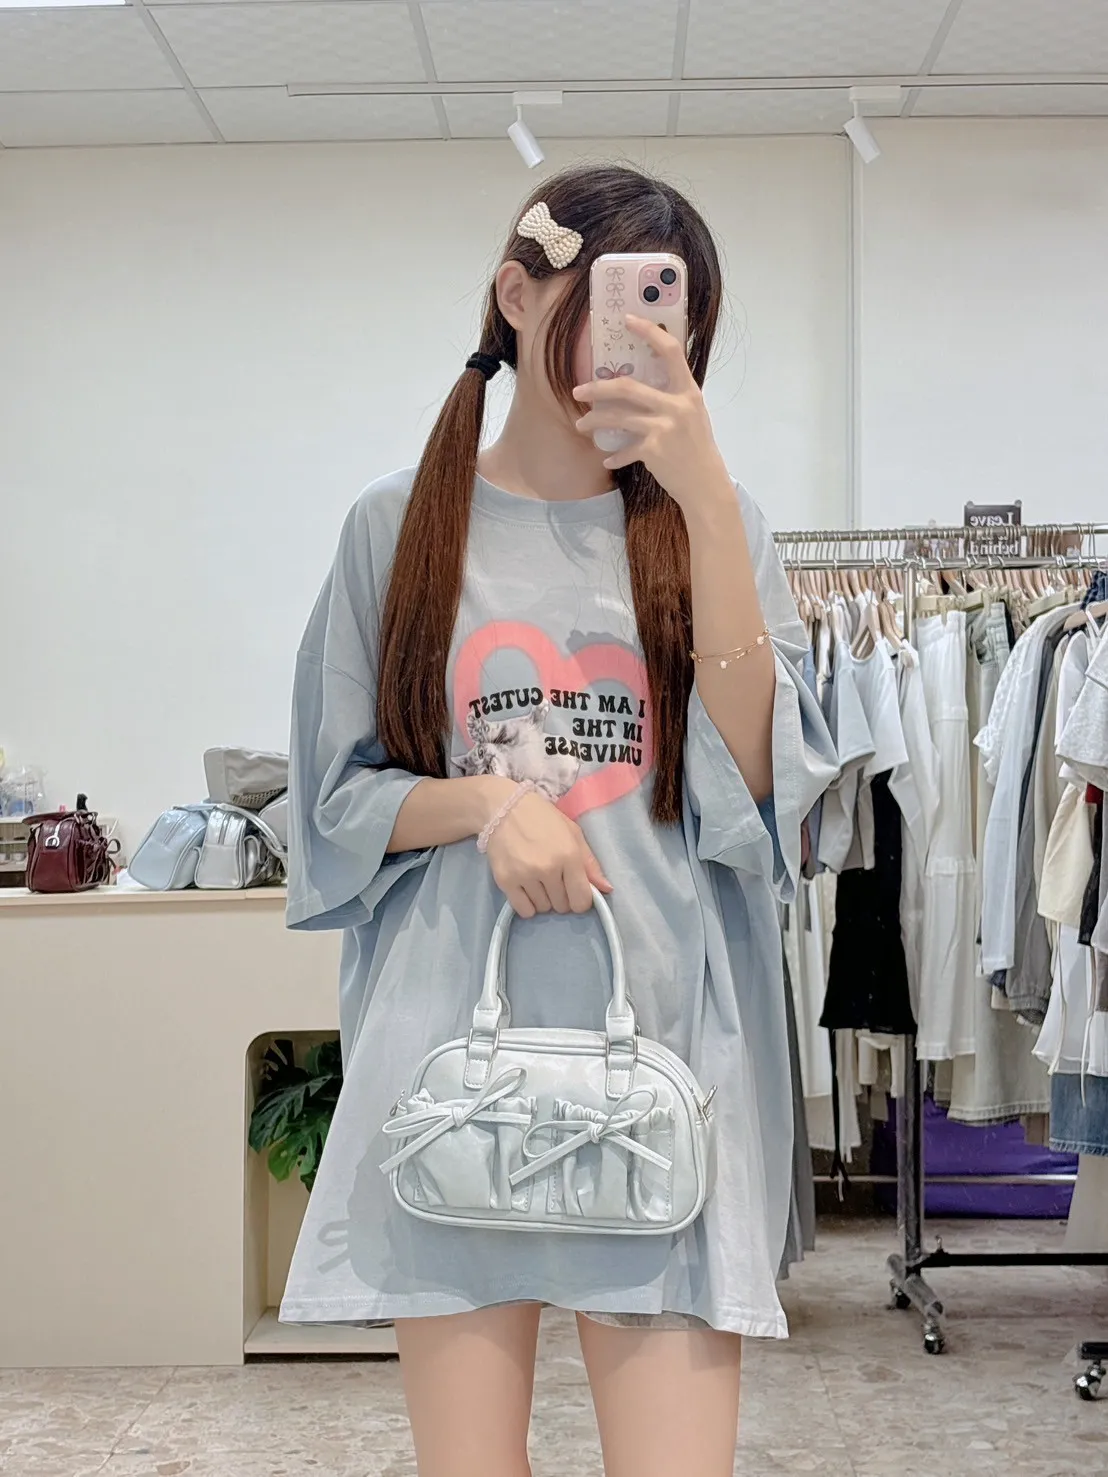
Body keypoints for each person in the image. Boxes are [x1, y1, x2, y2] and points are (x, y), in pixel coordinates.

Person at [280, 163, 836, 1477]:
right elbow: (335, 800)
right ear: (518, 295)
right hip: (452, 1062)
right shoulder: (399, 527)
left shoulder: (719, 526)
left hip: (669, 1057)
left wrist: (707, 502)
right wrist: (488, 805)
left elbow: (757, 788)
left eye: (668, 312)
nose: (639, 340)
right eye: (608, 305)